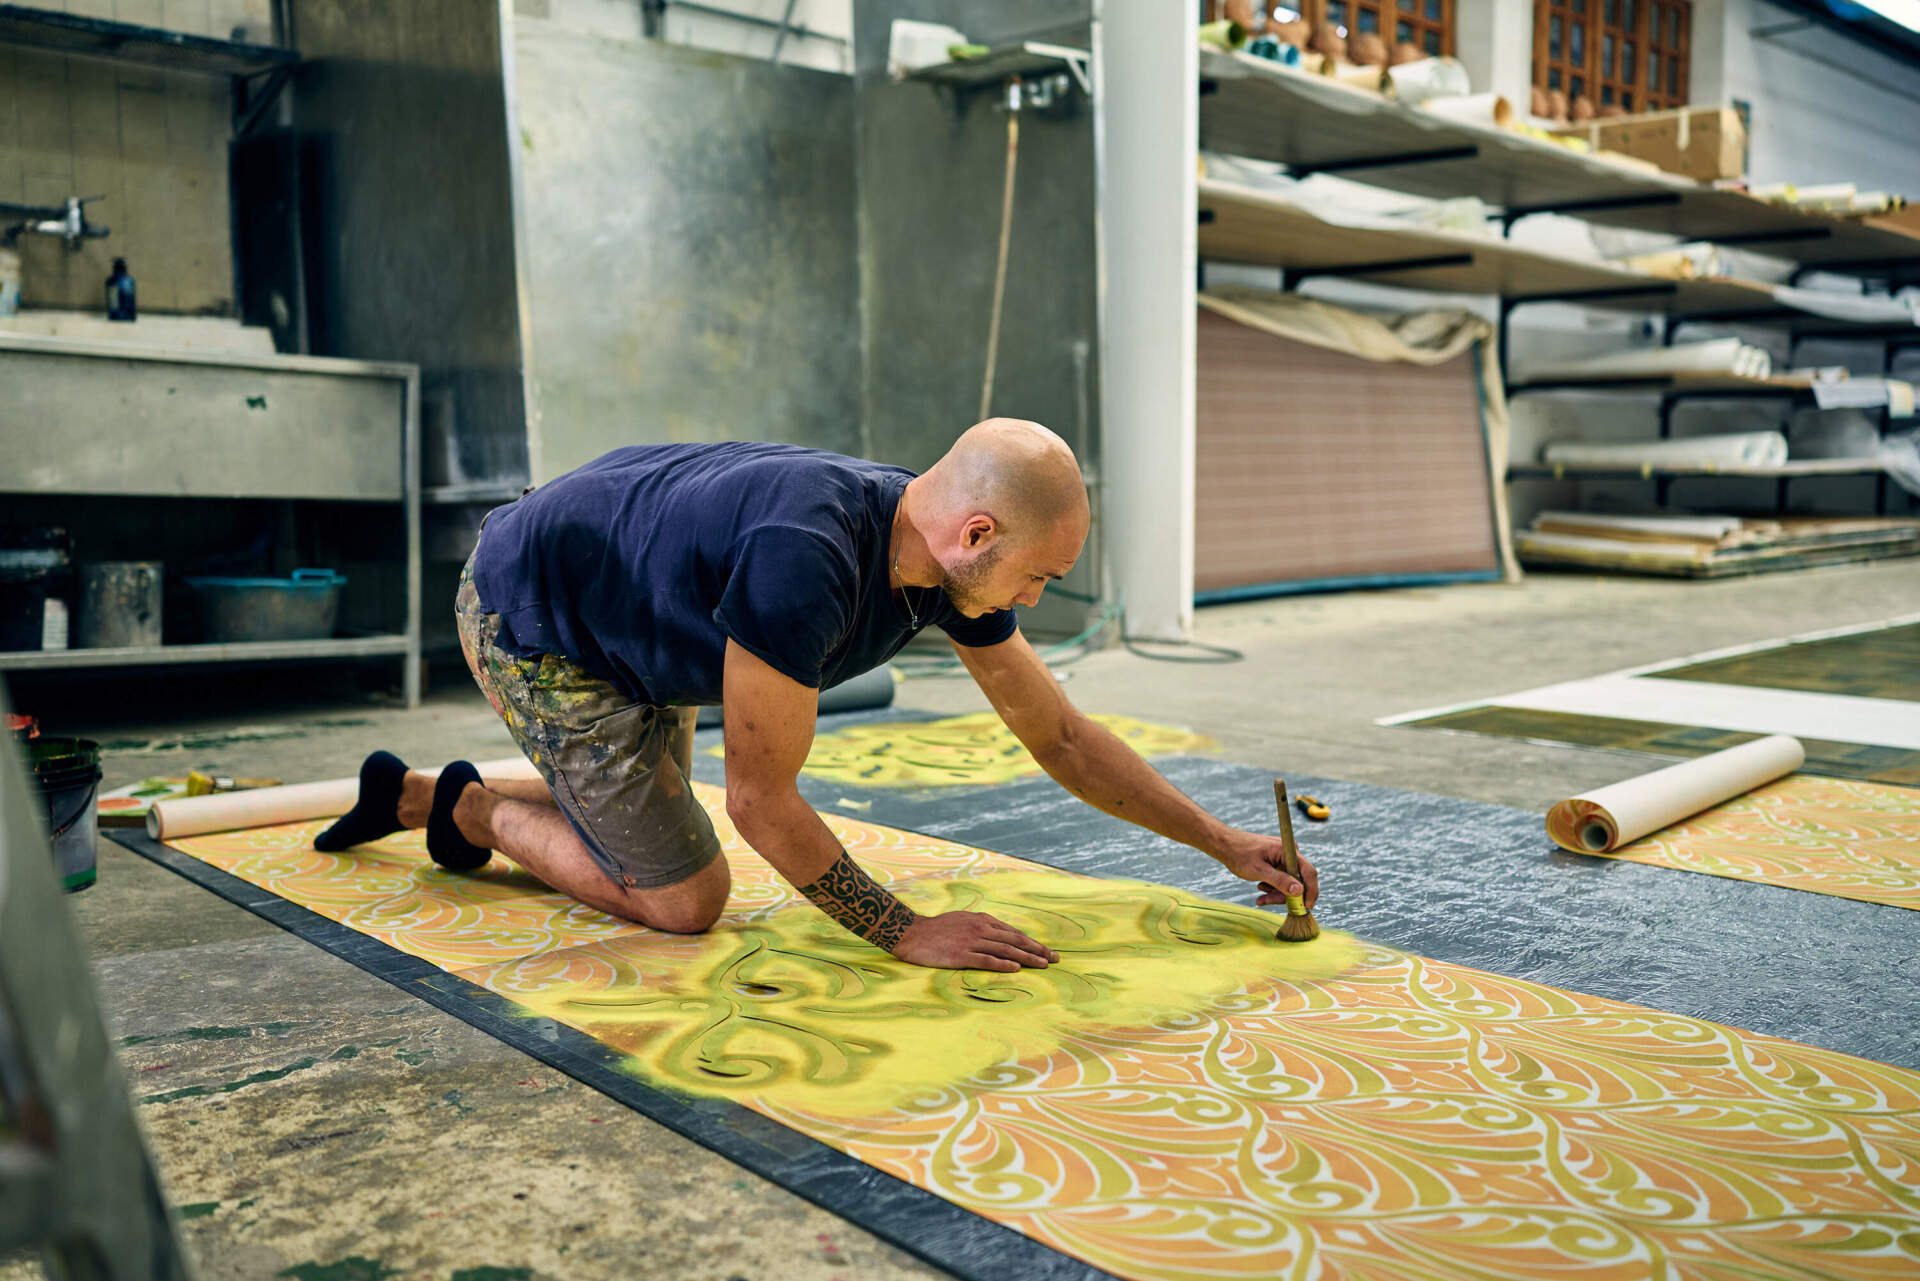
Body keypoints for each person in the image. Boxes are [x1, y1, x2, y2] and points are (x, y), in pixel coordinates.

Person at [317, 419, 1319, 972]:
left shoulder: (931, 550)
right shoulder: (808, 564)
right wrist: (904, 930)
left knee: (653, 830)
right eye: (1038, 577)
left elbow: (1057, 734)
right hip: (535, 617)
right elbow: (763, 800)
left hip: (636, 618)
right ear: (976, 534)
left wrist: (1222, 842)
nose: (1033, 601)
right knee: (684, 898)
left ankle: (451, 794)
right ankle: (457, 805)